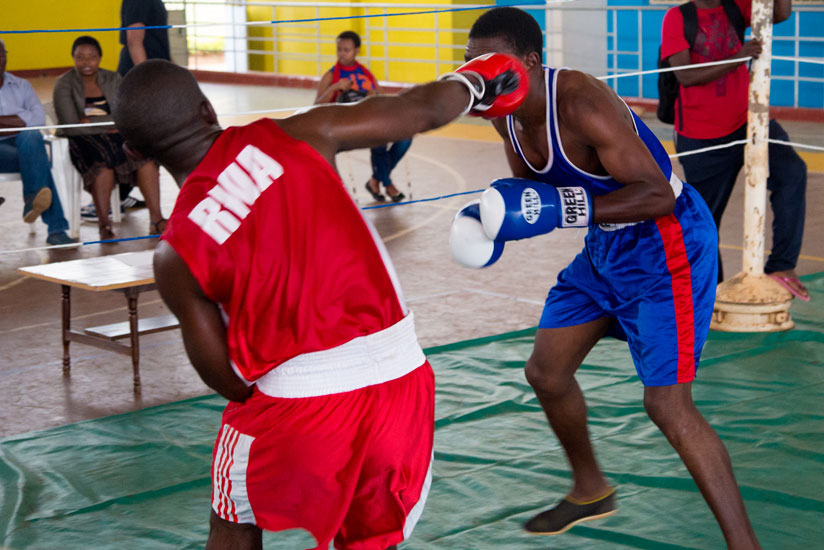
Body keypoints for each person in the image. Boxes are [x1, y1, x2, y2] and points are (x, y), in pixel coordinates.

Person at [112, 58, 526, 549]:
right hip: (402, 380)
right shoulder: (297, 133)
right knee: (371, 538)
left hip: (301, 400)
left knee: (232, 514)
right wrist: (475, 81)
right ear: (207, 109)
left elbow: (222, 375)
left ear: (134, 150)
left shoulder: (175, 254)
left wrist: (302, 398)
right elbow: (418, 111)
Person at [459, 7, 761, 548]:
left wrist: (560, 211)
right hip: (606, 247)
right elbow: (538, 194)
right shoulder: (505, 112)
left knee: (667, 404)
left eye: (494, 65)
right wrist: (494, 222)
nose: (482, 81)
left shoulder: (579, 101)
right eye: (472, 66)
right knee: (546, 373)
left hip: (666, 241)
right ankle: (590, 488)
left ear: (531, 61)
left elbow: (658, 194)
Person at [661, 0, 809, 301]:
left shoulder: (736, 6)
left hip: (749, 120)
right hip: (701, 135)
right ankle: (711, 293)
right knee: (704, 220)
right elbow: (686, 75)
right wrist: (738, 56)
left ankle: (782, 267)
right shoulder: (678, 17)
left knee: (792, 172)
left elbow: (778, 12)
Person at [53, 36, 165, 240]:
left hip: (116, 136)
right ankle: (104, 225)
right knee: (101, 163)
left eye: (92, 57)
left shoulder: (113, 78)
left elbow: (126, 114)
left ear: (100, 58)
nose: (86, 62)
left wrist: (92, 120)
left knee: (145, 158)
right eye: (80, 57)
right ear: (73, 58)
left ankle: (156, 220)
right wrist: (110, 122)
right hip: (82, 141)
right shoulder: (64, 84)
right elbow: (72, 125)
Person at [78, 0, 173, 222]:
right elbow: (134, 40)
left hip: (152, 73)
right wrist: (148, 81)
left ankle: (120, 196)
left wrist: (174, 73)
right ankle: (108, 200)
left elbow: (159, 43)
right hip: (140, 78)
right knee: (136, 140)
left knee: (148, 142)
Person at [315, 30, 411, 203]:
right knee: (379, 142)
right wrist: (334, 88)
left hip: (368, 119)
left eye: (346, 50)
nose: (342, 54)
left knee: (405, 138)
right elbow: (316, 107)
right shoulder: (331, 75)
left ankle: (375, 181)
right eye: (339, 49)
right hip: (344, 125)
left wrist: (372, 95)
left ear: (357, 50)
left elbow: (381, 99)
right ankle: (388, 185)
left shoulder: (365, 73)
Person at [0, 39, 76, 246]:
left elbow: (38, 118)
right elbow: (29, 118)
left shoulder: (21, 85)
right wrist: (20, 118)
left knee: (32, 137)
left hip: (22, 144)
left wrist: (9, 121)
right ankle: (56, 229)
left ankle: (32, 200)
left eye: (2, 53)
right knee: (37, 160)